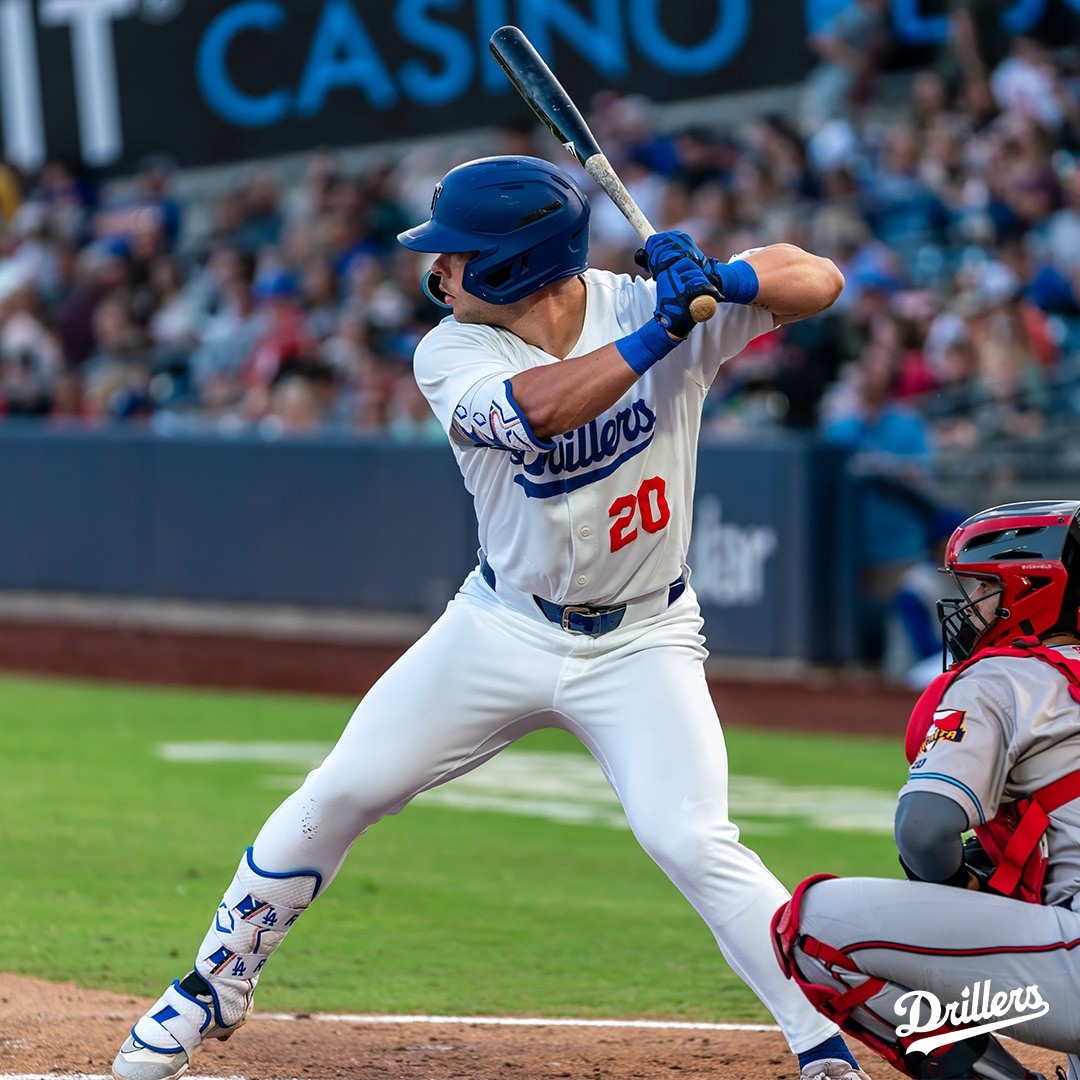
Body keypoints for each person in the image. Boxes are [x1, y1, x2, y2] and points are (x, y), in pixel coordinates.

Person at [111, 155, 860, 1080]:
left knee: (690, 836)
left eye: (459, 256)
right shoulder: (453, 349)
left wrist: (724, 277)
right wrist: (667, 328)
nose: (440, 272)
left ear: (513, 265)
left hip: (644, 638)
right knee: (343, 787)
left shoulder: (649, 306)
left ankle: (821, 1041)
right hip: (501, 626)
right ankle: (211, 984)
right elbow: (536, 413)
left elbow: (818, 279)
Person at [772, 501, 1080, 1080]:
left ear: (1032, 589)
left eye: (983, 588)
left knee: (810, 927)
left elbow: (924, 832)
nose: (969, 605)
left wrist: (970, 885)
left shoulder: (1005, 675)